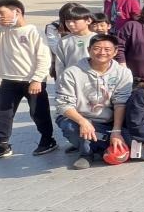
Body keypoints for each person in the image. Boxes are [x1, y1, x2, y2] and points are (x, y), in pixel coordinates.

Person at [0, 0, 57, 161]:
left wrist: (37, 79)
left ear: (17, 12)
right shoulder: (3, 33)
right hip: (9, 80)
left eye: (1, 13)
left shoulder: (34, 31)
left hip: (33, 81)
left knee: (38, 112)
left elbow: (44, 57)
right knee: (2, 113)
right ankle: (2, 144)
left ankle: (48, 140)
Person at [54, 33, 134, 170]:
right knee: (70, 126)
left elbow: (120, 103)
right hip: (78, 118)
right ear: (88, 50)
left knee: (137, 147)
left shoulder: (123, 73)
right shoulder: (71, 73)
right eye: (97, 48)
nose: (102, 52)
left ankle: (94, 143)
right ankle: (86, 153)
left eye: (107, 49)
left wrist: (116, 131)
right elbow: (63, 104)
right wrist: (83, 122)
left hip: (108, 122)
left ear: (115, 52)